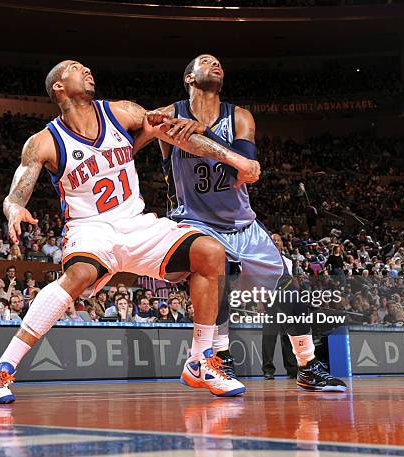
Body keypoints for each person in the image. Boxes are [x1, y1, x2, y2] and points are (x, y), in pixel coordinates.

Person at [0, 59, 259, 403]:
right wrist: (14, 209)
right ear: (58, 87)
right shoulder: (43, 142)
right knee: (78, 274)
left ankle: (200, 360)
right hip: (90, 228)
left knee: (211, 252)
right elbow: (15, 194)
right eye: (75, 68)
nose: (86, 70)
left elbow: (182, 139)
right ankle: (1, 370)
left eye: (86, 67)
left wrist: (235, 159)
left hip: (136, 222)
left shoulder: (123, 111)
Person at [147, 54, 345, 391]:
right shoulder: (168, 114)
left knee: (287, 287)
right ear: (189, 77)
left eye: (219, 62)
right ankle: (219, 359)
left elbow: (246, 167)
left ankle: (307, 364)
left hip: (242, 222)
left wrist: (204, 131)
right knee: (218, 269)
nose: (217, 64)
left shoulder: (239, 116)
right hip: (193, 220)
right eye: (206, 61)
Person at [262, 234, 297, 379]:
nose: (276, 242)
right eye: (273, 240)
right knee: (269, 337)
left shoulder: (289, 261)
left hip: (287, 302)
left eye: (278, 240)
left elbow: (294, 283)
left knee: (288, 337)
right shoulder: (262, 260)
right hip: (270, 301)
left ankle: (292, 369)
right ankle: (268, 370)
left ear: (283, 244)